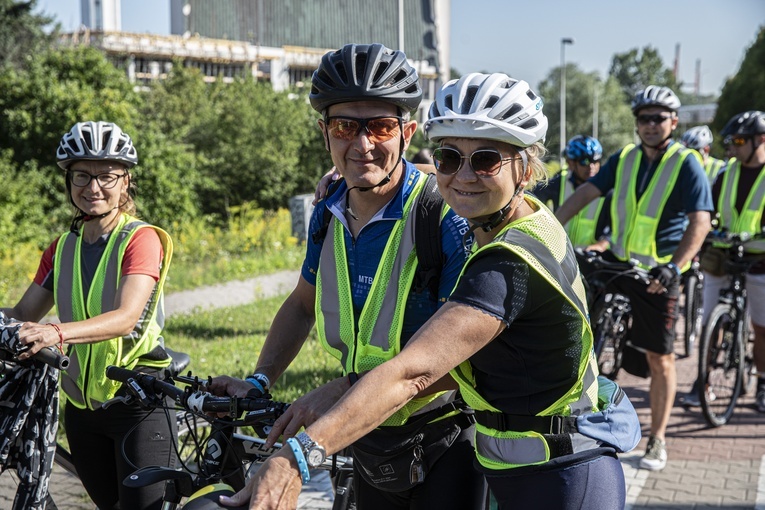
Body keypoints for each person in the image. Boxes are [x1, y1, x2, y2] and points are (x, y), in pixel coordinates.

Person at [219, 72, 637, 510]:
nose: (465, 175)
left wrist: (297, 459)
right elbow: (453, 180)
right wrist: (360, 168)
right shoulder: (522, 215)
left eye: (487, 159)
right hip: (522, 470)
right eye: (449, 156)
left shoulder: (507, 265)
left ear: (526, 168)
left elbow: (412, 372)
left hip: (562, 481)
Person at [211, 43, 485, 510]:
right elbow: (301, 306)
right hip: (365, 434)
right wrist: (260, 380)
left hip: (446, 440)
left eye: (380, 127)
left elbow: (460, 359)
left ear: (407, 132)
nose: (362, 145)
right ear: (325, 133)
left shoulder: (444, 217)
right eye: (344, 127)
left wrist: (343, 389)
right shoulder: (328, 212)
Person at [1, 121, 176, 509]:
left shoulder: (140, 239)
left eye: (106, 176)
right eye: (82, 175)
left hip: (138, 403)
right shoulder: (61, 248)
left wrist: (55, 333)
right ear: (69, 181)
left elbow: (126, 317)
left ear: (125, 182)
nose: (92, 187)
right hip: (83, 409)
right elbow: (23, 312)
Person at [555, 85, 713, 471]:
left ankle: (657, 438)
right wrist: (551, 228)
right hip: (618, 264)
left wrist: (675, 267)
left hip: (658, 273)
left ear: (673, 122)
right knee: (581, 334)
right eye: (644, 118)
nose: (650, 125)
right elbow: (585, 194)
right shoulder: (624, 158)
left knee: (660, 358)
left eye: (659, 118)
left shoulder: (686, 162)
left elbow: (701, 222)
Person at [683, 111, 765, 411]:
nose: (734, 146)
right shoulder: (727, 172)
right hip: (723, 255)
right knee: (709, 322)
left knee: (761, 326)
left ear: (761, 140)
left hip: (760, 260)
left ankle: (762, 383)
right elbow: (709, 209)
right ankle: (702, 379)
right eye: (732, 141)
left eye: (741, 140)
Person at [532, 135, 611, 250]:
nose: (592, 166)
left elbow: (615, 231)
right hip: (561, 256)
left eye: (596, 161)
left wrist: (600, 245)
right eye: (585, 161)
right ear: (571, 163)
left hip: (592, 260)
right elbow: (532, 198)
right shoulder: (558, 183)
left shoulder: (607, 190)